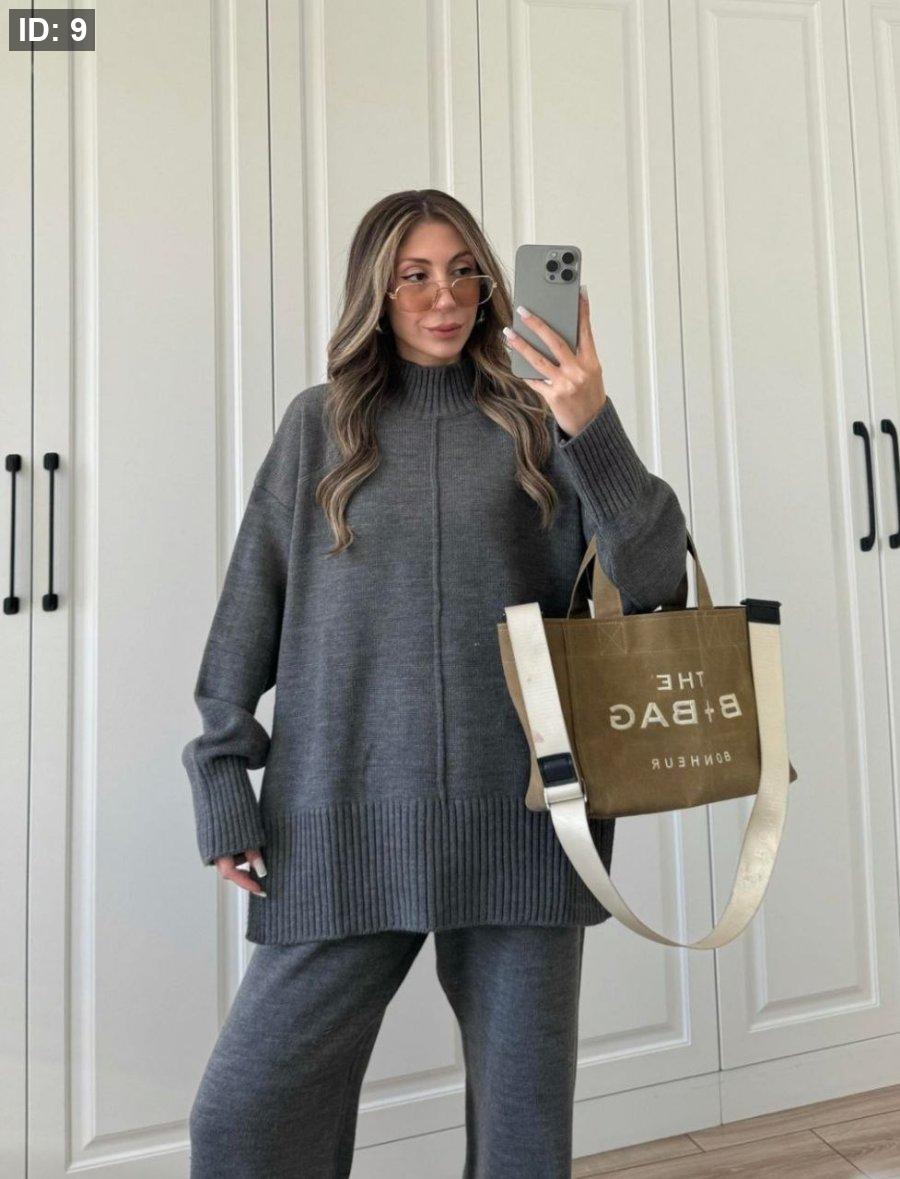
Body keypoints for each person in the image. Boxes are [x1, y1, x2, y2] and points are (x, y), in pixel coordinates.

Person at [183, 189, 688, 1178]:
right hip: (343, 818)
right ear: (376, 291)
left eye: (463, 273)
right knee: (245, 1121)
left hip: (528, 821)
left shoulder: (540, 420)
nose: (444, 297)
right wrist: (221, 777)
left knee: (521, 1144)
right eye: (414, 276)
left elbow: (657, 579)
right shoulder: (319, 425)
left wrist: (590, 421)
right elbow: (250, 608)